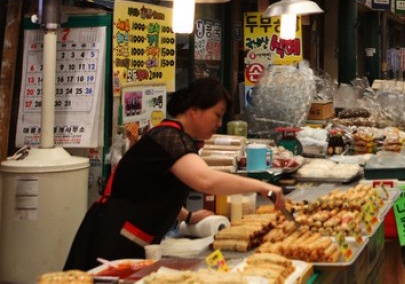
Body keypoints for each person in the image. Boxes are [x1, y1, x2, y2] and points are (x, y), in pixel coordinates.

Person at [64, 78, 285, 270]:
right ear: (195, 110)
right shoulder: (169, 137)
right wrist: (262, 186)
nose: (219, 123)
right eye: (216, 115)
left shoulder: (178, 138)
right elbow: (205, 180)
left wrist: (187, 216)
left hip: (133, 237)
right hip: (111, 237)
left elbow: (152, 188)